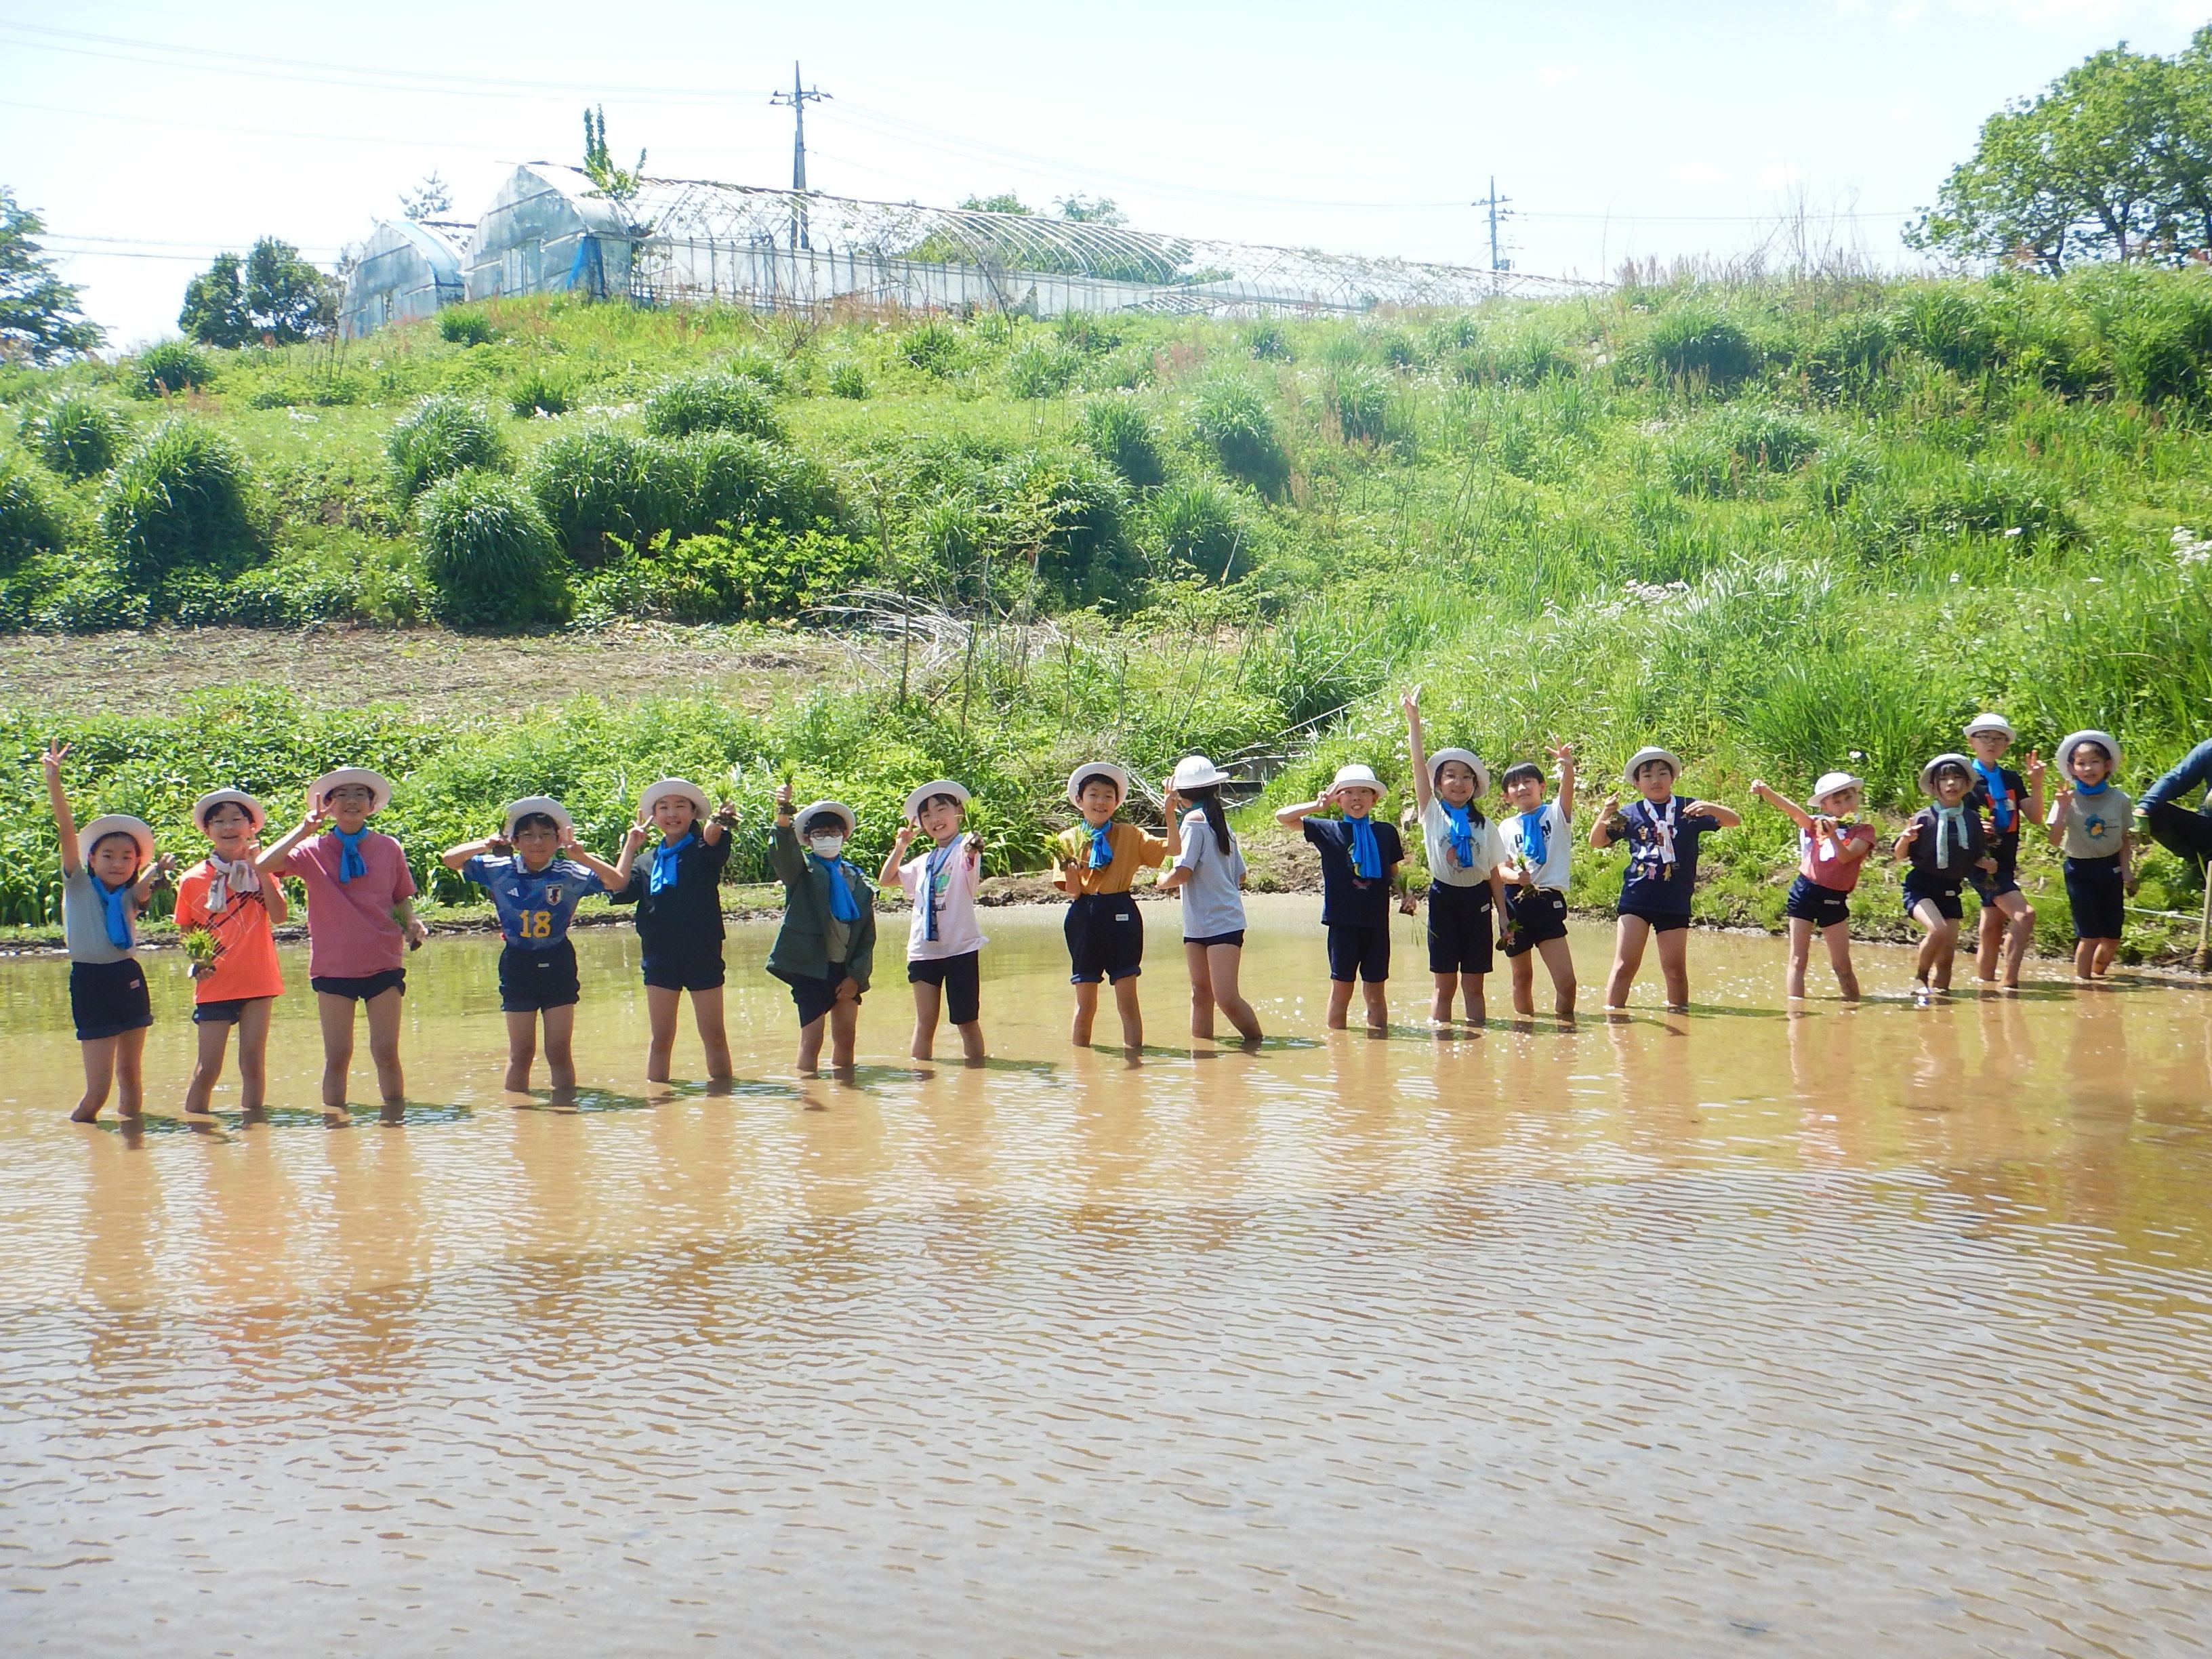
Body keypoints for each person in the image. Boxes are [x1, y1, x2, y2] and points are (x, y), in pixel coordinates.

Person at [258, 766, 426, 1120]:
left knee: (386, 1052)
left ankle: (396, 1127)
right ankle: (335, 1127)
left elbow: (400, 897)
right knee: (337, 1055)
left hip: (383, 959)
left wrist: (411, 922)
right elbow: (264, 864)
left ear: (372, 805)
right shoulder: (311, 849)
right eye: (342, 795)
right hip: (333, 965)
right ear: (329, 805)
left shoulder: (388, 847)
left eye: (360, 794)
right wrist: (304, 829)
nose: (352, 801)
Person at [443, 797, 627, 1094]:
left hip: (558, 961)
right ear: (515, 841)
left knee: (559, 1051)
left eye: (545, 835)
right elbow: (449, 859)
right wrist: (486, 843)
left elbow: (616, 882)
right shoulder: (498, 868)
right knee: (521, 1052)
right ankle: (517, 1113)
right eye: (528, 835)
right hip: (517, 963)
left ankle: (565, 1110)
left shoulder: (570, 872)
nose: (537, 842)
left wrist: (582, 856)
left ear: (558, 840)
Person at [42, 741, 165, 1123]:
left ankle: (132, 1144)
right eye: (108, 856)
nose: (117, 863)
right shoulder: (78, 884)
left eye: (127, 857)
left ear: (135, 863)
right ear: (91, 859)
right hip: (90, 981)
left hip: (127, 976)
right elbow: (66, 831)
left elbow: (147, 884)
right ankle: (79, 1132)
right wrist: (54, 781)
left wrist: (157, 872)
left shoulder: (130, 894)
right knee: (98, 1089)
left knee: (131, 1076)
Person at [608, 778, 737, 1084]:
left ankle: (723, 1101)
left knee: (714, 1035)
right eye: (663, 807)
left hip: (703, 953)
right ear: (654, 816)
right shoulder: (645, 861)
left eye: (681, 806)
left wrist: (719, 821)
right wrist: (630, 846)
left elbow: (712, 838)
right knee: (661, 1038)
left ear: (693, 813)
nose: (672, 813)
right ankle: (658, 1101)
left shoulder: (703, 848)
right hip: (659, 956)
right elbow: (617, 887)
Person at [1591, 747, 1739, 1012]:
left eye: (1662, 774)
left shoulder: (1689, 808)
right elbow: (1597, 841)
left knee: (1675, 970)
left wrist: (1710, 807)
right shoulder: (1629, 813)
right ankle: (1614, 1020)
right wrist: (1606, 813)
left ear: (1673, 778)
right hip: (1636, 899)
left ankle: (1679, 1016)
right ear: (1637, 783)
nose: (1656, 780)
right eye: (1647, 776)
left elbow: (1734, 821)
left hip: (1675, 900)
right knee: (1624, 966)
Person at [1399, 691, 1511, 1025]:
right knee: (1444, 985)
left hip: (1478, 901)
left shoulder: (1486, 825)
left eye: (1466, 776)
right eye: (1450, 775)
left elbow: (1494, 873)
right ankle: (1442, 1046)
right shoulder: (1432, 813)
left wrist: (1504, 917)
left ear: (1475, 784)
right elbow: (1418, 767)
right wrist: (1414, 722)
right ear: (1438, 783)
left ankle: (1479, 1045)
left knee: (1474, 986)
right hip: (1443, 899)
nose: (1458, 783)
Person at [176, 789, 286, 1121]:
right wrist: (198, 961)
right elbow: (186, 929)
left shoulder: (263, 871)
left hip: (259, 980)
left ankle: (255, 1131)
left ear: (251, 827)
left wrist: (260, 868)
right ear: (207, 831)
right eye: (219, 822)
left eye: (236, 820)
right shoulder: (192, 879)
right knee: (208, 1067)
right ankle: (196, 1127)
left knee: (253, 1063)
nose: (228, 827)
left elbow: (280, 916)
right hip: (215, 985)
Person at [1053, 762, 1180, 1050]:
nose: (1101, 802)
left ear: (1116, 801)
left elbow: (1174, 849)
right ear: (1080, 800)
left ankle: (1135, 1061)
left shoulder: (1130, 834)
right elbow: (1073, 892)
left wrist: (1169, 813)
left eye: (1108, 796)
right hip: (1084, 915)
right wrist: (1072, 872)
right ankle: (1081, 1065)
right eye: (1094, 795)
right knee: (1085, 1004)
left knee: (1128, 1001)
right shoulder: (1066, 840)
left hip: (1122, 913)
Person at [1275, 761, 1406, 1032]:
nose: (1356, 798)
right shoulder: (1328, 829)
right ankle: (1337, 1048)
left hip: (1377, 924)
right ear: (1338, 799)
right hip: (1342, 924)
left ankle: (1378, 1044)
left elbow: (1393, 872)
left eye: (1364, 792)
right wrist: (1316, 806)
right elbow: (1283, 817)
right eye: (1348, 792)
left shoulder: (1385, 832)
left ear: (1374, 799)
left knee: (1376, 991)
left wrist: (1406, 894)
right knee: (1341, 989)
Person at [768, 783, 877, 1078]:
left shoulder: (857, 880)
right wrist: (783, 812)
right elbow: (783, 854)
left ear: (845, 835)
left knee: (846, 1038)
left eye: (833, 832)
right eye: (819, 834)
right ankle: (809, 1095)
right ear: (807, 839)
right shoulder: (802, 873)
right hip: (811, 969)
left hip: (846, 969)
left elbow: (867, 936)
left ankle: (845, 1094)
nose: (827, 838)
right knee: (812, 1040)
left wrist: (856, 976)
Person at [1159, 755, 1263, 1044]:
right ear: (1214, 789)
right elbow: (1241, 876)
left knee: (1222, 997)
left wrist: (1161, 881)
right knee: (1203, 993)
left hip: (1215, 921)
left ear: (1180, 795)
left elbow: (1181, 873)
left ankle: (1255, 1044)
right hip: (1209, 919)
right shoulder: (1220, 823)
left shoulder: (1194, 821)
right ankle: (1203, 1055)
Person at [883, 779, 987, 1064]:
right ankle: (921, 1081)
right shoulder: (923, 861)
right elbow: (887, 880)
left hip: (960, 949)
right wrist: (901, 846)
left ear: (959, 812)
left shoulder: (964, 848)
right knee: (924, 1023)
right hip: (923, 951)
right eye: (926, 815)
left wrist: (973, 844)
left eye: (941, 810)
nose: (934, 819)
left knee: (966, 1021)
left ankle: (976, 1081)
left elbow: (972, 849)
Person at [1749, 772, 1877, 1002]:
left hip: (1834, 899)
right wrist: (1766, 791)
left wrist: (1833, 836)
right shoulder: (1817, 824)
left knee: (1842, 964)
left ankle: (1853, 1006)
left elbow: (1846, 857)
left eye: (1849, 798)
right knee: (1798, 959)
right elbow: (1793, 811)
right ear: (1825, 806)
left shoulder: (1864, 830)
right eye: (1837, 802)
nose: (1845, 806)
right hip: (1805, 893)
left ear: (1857, 798)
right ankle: (1796, 1012)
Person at [1895, 753, 1992, 1002]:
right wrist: (1906, 839)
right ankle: (1920, 978)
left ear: (1967, 785)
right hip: (1921, 886)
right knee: (1937, 930)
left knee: (1947, 957)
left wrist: (1987, 864)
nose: (1951, 784)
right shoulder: (1923, 818)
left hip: (1951, 889)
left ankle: (1940, 1004)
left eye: (1957, 778)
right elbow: (1899, 855)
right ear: (1934, 786)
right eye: (1944, 779)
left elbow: (1974, 856)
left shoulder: (1972, 820)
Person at [1961, 713, 2043, 990]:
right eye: (1985, 737)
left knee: (1992, 928)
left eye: (1999, 738)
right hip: (1982, 863)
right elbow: (1954, 819)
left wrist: (2037, 783)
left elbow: (2035, 817)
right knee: (2025, 915)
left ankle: (1984, 985)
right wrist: (1975, 826)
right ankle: (2009, 984)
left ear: (2007, 745)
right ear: (1972, 742)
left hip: (2006, 861)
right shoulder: (1964, 780)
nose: (1992, 743)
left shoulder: (2011, 778)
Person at [1498, 743, 1578, 1021]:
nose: (1521, 788)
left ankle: (1565, 1029)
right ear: (1506, 795)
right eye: (1514, 785)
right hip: (1515, 904)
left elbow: (1567, 791)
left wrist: (1567, 767)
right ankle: (1525, 1031)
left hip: (1548, 901)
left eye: (1528, 782)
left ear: (1541, 786)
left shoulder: (1556, 814)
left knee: (1567, 983)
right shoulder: (1506, 827)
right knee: (1522, 978)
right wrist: (1516, 877)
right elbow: (1500, 870)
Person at [2046, 729, 2134, 981]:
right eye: (2081, 763)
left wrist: (2127, 872)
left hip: (2111, 868)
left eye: (2094, 762)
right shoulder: (2066, 799)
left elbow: (2124, 839)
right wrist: (2063, 809)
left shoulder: (2120, 799)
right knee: (2089, 936)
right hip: (2080, 870)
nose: (2088, 768)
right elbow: (2054, 841)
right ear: (2071, 769)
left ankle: (2097, 977)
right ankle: (2083, 986)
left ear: (2107, 765)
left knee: (2112, 937)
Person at [2136, 735, 2212, 872]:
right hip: (2208, 829)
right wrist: (2143, 808)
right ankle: (2200, 861)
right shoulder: (2209, 749)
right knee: (2154, 812)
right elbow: (2176, 779)